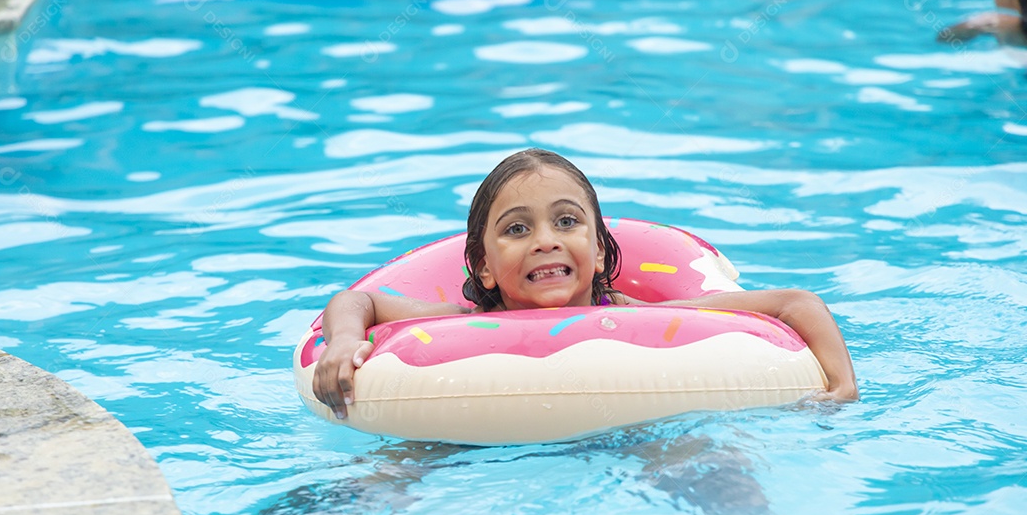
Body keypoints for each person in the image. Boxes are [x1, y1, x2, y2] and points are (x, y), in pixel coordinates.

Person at [313, 148, 859, 418]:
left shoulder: (648, 319)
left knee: (699, 461)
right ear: (482, 266)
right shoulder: (466, 324)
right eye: (517, 229)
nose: (546, 240)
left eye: (567, 222)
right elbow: (356, 299)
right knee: (394, 470)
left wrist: (840, 388)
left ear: (599, 251)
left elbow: (795, 303)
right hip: (476, 428)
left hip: (638, 424)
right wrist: (343, 341)